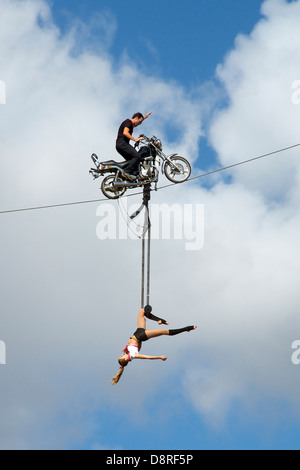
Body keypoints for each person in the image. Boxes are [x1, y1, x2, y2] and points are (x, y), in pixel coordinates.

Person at [111, 306, 197, 385]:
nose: (122, 355)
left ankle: (160, 320)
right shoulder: (133, 355)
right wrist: (159, 357)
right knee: (163, 331)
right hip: (141, 335)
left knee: (142, 311)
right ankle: (187, 328)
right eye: (122, 356)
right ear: (126, 359)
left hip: (137, 332)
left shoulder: (128, 353)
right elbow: (147, 357)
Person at [116, 112, 152, 178]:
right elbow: (125, 132)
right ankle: (126, 172)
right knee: (137, 156)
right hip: (122, 143)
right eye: (139, 121)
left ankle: (125, 178)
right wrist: (135, 139)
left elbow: (140, 119)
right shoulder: (128, 122)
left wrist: (145, 117)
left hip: (120, 144)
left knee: (133, 162)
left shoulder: (131, 123)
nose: (139, 124)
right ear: (135, 118)